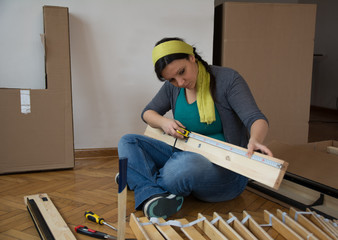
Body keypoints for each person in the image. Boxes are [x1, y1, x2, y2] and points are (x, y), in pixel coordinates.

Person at [118, 37, 273, 220]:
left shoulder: (228, 79)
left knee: (181, 167)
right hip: (182, 151)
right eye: (172, 80)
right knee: (128, 141)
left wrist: (255, 139)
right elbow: (147, 113)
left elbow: (255, 118)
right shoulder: (173, 87)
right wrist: (164, 123)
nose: (180, 82)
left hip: (225, 169)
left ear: (192, 57)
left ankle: (138, 176)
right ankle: (149, 190)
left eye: (182, 72)